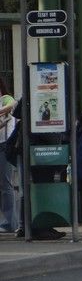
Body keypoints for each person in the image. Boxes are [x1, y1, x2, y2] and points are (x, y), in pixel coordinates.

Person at [10, 99, 65, 240]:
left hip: (41, 147)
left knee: (37, 188)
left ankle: (36, 225)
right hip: (35, 147)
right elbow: (16, 112)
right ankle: (36, 227)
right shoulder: (30, 98)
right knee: (35, 188)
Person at [0, 77, 17, 233]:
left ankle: (9, 222)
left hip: (4, 144)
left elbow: (12, 104)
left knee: (6, 184)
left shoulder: (5, 98)